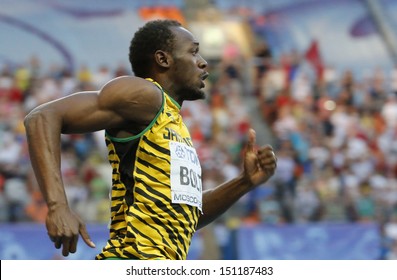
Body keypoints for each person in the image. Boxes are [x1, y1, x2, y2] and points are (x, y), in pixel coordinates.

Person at [24, 19, 277, 260]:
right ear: (163, 59)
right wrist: (57, 206)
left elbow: (183, 216)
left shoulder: (173, 122)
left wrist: (244, 183)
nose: (203, 63)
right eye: (193, 52)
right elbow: (41, 118)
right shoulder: (145, 95)